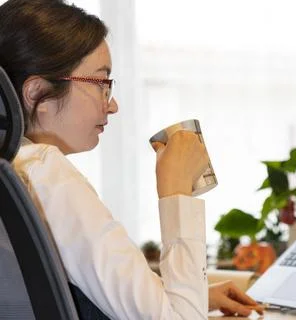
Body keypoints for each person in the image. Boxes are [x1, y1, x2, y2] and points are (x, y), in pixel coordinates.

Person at [0, 0, 264, 319]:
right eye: (101, 83)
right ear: (36, 93)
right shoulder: (45, 173)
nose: (112, 105)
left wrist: (192, 297)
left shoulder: (16, 169)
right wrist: (176, 190)